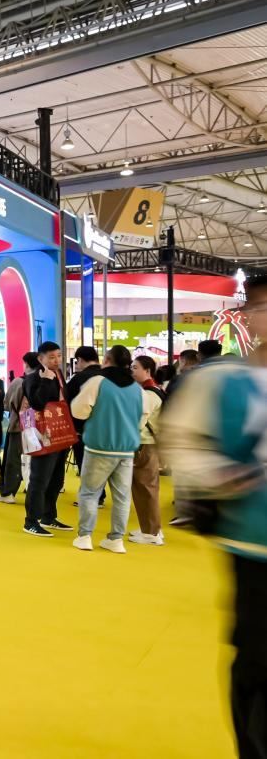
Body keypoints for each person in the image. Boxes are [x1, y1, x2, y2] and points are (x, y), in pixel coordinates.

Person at [163, 273, 267, 757]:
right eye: (261, 308)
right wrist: (225, 475)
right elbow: (180, 441)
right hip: (253, 543)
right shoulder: (221, 382)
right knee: (259, 664)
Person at [69, 345, 143, 553]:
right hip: (126, 448)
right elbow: (141, 418)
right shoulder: (137, 388)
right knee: (122, 497)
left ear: (107, 360)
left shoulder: (97, 382)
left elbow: (78, 411)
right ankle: (116, 539)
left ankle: (85, 536)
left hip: (99, 447)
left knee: (89, 493)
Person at [22, 341, 74, 537]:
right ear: (40, 358)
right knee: (40, 478)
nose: (56, 360)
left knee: (56, 479)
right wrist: (44, 380)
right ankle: (31, 521)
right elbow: (37, 403)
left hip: (61, 432)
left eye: (59, 356)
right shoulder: (33, 378)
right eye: (51, 357)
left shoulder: (59, 375)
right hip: (43, 434)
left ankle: (48, 516)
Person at [128, 354, 166, 546]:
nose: (132, 371)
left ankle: (151, 532)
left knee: (145, 488)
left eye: (135, 367)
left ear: (147, 370)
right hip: (149, 443)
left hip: (145, 444)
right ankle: (151, 528)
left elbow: (139, 420)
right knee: (146, 487)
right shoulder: (154, 389)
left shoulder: (149, 394)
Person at [0, 352, 39, 504]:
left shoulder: (19, 382)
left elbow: (7, 404)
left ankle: (8, 492)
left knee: (14, 459)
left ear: (26, 364)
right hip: (38, 426)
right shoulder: (43, 380)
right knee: (36, 460)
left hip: (19, 425)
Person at [65, 346, 101, 476]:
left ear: (79, 359)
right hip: (108, 432)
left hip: (83, 432)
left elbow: (67, 401)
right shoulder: (108, 376)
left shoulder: (79, 378)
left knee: (87, 472)